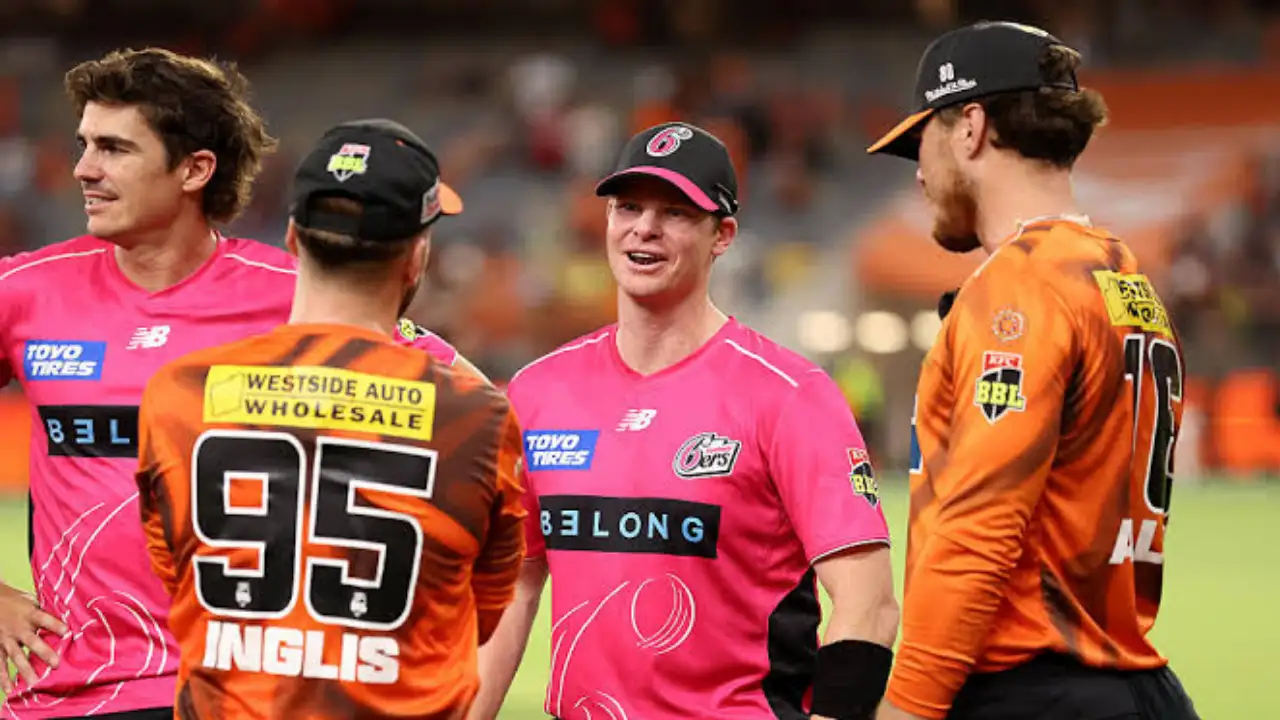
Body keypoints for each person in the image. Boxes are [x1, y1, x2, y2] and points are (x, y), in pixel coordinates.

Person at [0, 50, 470, 719]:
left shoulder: (295, 295)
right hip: (68, 692)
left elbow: (473, 411)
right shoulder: (25, 292)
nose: (84, 168)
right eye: (84, 145)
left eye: (114, 148)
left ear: (195, 169)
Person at [470, 122, 899, 720]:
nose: (644, 227)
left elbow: (869, 607)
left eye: (675, 212)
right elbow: (513, 587)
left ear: (723, 235)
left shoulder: (790, 395)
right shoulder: (538, 391)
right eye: (628, 207)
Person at [134, 118, 527, 719]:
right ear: (417, 255)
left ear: (292, 237)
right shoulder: (478, 417)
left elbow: (174, 571)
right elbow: (482, 612)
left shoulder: (179, 391)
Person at [864, 22, 1199, 720]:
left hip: (1033, 687)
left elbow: (977, 532)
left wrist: (907, 706)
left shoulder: (1018, 285)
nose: (918, 173)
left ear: (970, 127)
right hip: (1135, 684)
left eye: (921, 142)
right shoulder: (1122, 274)